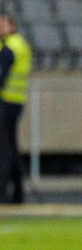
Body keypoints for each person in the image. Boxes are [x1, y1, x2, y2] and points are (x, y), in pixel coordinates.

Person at [0, 11, 31, 204]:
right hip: (15, 101)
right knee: (11, 147)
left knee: (4, 150)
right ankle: (18, 193)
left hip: (6, 103)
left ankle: (3, 191)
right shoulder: (19, 44)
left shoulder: (11, 47)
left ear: (11, 25)